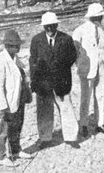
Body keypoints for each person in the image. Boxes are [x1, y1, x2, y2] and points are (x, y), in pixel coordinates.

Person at [30, 12, 80, 149]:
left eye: (52, 26)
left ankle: (71, 137)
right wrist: (34, 81)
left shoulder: (66, 39)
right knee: (44, 111)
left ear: (57, 25)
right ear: (43, 27)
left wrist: (60, 69)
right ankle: (45, 138)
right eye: (47, 26)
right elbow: (32, 61)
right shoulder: (36, 40)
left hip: (61, 81)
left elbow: (72, 57)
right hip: (43, 82)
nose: (50, 29)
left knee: (66, 108)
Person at [0, 29, 33, 167]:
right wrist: (3, 107)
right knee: (3, 130)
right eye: (13, 45)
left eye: (17, 45)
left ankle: (15, 150)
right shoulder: (1, 61)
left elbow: (22, 76)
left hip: (17, 99)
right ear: (7, 46)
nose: (16, 48)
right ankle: (0, 156)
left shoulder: (16, 59)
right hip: (6, 103)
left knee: (16, 127)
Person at [73, 3, 104, 138]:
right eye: (97, 16)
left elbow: (102, 47)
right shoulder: (80, 30)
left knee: (101, 95)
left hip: (101, 65)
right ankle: (83, 125)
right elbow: (75, 50)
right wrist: (79, 63)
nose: (99, 19)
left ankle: (100, 123)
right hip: (87, 67)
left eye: (101, 16)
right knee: (86, 97)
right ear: (91, 17)